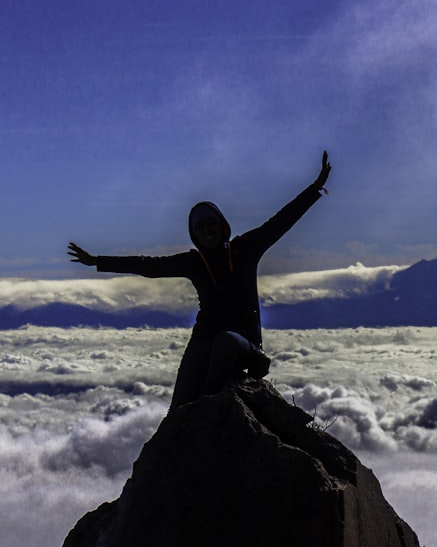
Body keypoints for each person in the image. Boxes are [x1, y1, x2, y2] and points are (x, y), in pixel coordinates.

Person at [68, 151, 333, 409]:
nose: (207, 230)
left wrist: (315, 188)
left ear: (222, 226)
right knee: (178, 408)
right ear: (194, 234)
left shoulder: (244, 249)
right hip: (204, 341)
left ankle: (209, 408)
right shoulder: (194, 262)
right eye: (200, 227)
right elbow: (147, 265)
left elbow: (280, 221)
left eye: (211, 223)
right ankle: (187, 423)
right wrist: (98, 261)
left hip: (243, 343)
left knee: (226, 342)